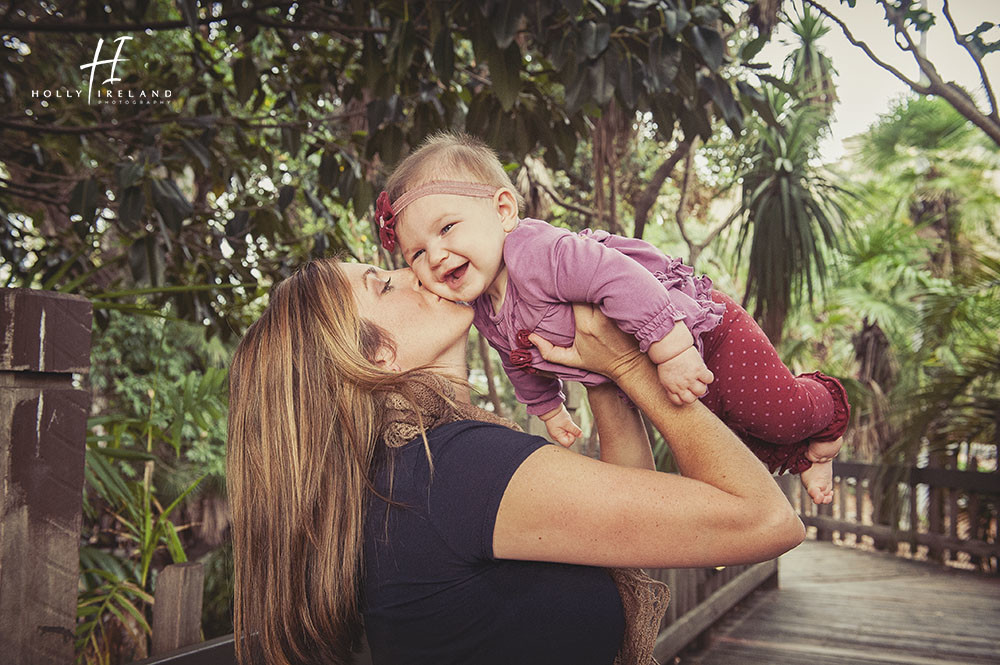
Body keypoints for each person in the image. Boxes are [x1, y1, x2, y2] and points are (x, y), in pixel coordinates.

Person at [226, 258, 805, 665]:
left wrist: (598, 376)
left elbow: (626, 511)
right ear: (373, 356)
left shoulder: (406, 472)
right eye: (382, 284)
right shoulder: (454, 470)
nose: (411, 270)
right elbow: (764, 520)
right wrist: (632, 366)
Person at [377, 132, 850, 505]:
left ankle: (827, 411)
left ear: (503, 210)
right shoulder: (483, 308)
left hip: (705, 332)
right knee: (736, 435)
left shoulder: (537, 253)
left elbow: (618, 277)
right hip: (660, 367)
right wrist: (548, 408)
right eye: (417, 251)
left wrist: (672, 348)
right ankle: (808, 457)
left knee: (778, 413)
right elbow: (518, 359)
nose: (435, 255)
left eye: (447, 227)